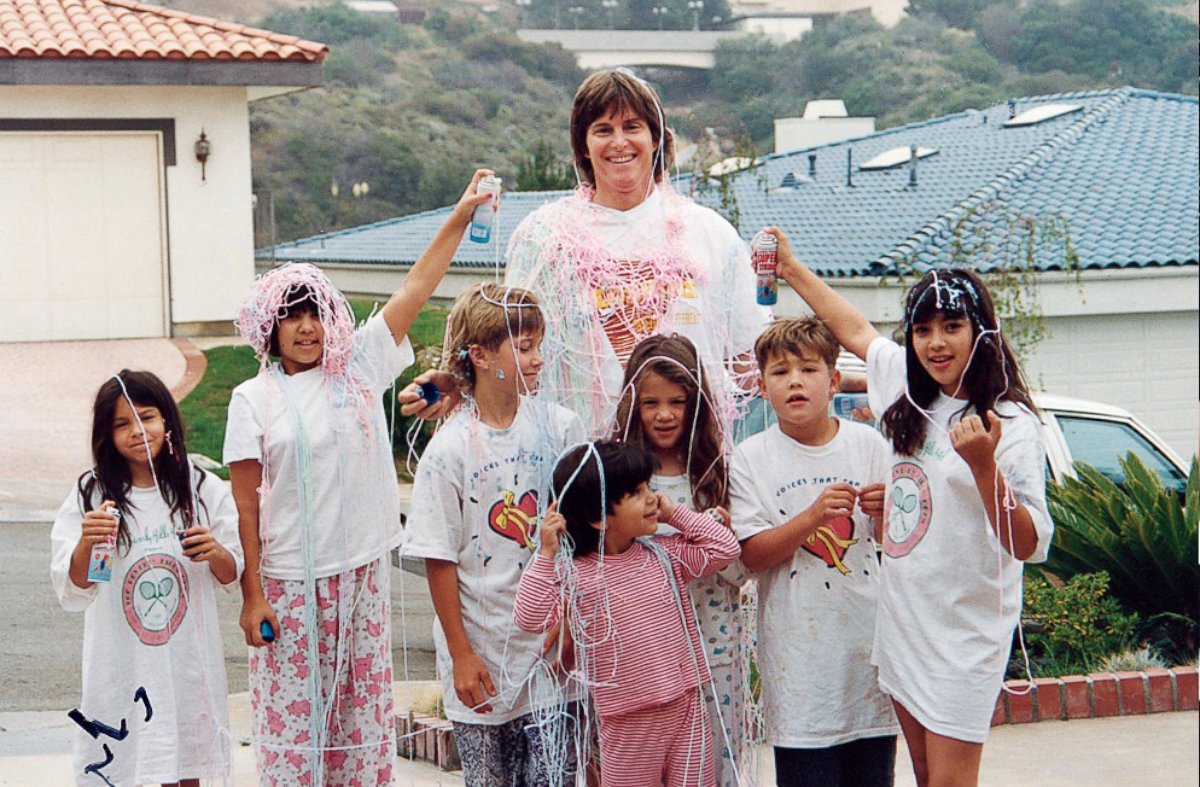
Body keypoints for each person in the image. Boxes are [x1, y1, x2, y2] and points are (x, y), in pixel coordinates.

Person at [222, 171, 494, 785]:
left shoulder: (360, 366)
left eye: (314, 313)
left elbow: (416, 287)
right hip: (290, 585)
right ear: (270, 327)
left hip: (361, 575)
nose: (306, 328)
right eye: (290, 317)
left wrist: (461, 212)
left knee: (359, 725)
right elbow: (245, 508)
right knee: (295, 737)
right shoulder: (251, 398)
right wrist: (252, 594)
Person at [768, 228, 1053, 786]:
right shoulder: (908, 386)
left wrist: (984, 467)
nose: (935, 343)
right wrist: (791, 267)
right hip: (903, 620)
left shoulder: (1011, 423)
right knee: (925, 777)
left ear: (982, 332)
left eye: (952, 327)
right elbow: (853, 330)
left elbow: (1027, 543)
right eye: (923, 330)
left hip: (963, 633)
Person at [401, 68, 769, 438]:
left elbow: (750, 364)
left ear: (656, 138)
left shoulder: (711, 233)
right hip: (577, 465)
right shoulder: (542, 237)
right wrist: (463, 389)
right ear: (583, 146)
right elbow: (513, 352)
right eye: (603, 130)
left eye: (633, 126)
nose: (619, 142)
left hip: (693, 465)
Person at [402, 283, 585, 785]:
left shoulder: (561, 427)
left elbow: (584, 540)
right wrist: (461, 653)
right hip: (482, 659)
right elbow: (438, 560)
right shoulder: (449, 451)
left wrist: (571, 619)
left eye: (538, 346)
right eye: (523, 348)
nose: (537, 359)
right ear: (480, 355)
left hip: (553, 660)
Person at [51, 370, 242, 787]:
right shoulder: (92, 492)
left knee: (188, 763)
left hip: (187, 664)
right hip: (121, 665)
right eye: (122, 424)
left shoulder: (201, 487)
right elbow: (76, 586)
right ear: (106, 434)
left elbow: (232, 574)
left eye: (147, 417)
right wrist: (88, 541)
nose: (138, 431)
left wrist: (215, 551)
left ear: (168, 421)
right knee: (131, 765)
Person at [729, 319, 898, 786]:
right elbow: (751, 556)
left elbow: (894, 546)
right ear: (763, 387)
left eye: (808, 369)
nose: (796, 381)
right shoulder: (750, 458)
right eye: (780, 373)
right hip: (799, 671)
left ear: (834, 380)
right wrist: (810, 519)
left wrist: (884, 514)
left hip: (867, 660)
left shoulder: (869, 444)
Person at [514, 440, 741, 787]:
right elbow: (530, 618)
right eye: (637, 492)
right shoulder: (575, 573)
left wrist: (674, 514)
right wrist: (546, 554)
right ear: (598, 518)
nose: (652, 497)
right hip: (626, 720)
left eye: (649, 486)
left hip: (686, 707)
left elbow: (724, 548)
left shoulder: (664, 556)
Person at [611, 333, 749, 787]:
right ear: (633, 403)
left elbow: (739, 569)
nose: (665, 414)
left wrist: (714, 532)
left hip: (714, 652)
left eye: (677, 401)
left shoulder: (717, 473)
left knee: (714, 771)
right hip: (642, 662)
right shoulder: (619, 476)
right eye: (651, 402)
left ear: (697, 404)